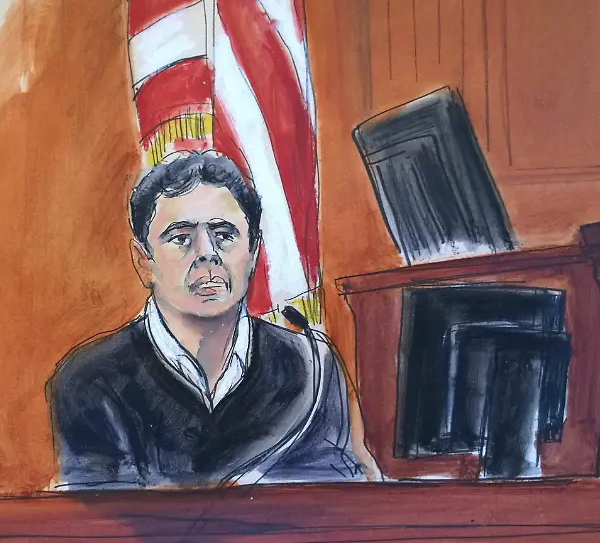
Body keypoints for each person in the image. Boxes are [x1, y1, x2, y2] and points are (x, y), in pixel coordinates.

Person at [47, 150, 379, 490]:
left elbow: (337, 495)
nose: (207, 253)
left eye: (224, 234)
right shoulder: (90, 379)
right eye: (181, 238)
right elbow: (100, 515)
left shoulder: (311, 366)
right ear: (144, 261)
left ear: (253, 251)